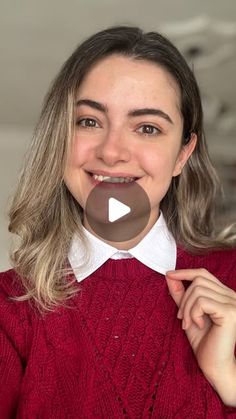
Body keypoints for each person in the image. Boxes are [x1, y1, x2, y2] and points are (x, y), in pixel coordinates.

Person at [0, 25, 235, 419]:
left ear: (182, 154)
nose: (112, 152)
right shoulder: (8, 310)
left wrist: (228, 379)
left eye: (147, 128)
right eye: (89, 121)